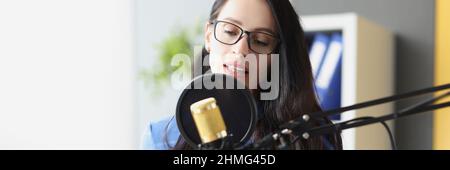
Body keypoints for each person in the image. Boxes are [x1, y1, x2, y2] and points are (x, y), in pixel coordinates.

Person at [141, 0, 342, 150]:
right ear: (209, 37)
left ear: (276, 57)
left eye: (261, 41)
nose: (241, 49)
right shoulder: (160, 139)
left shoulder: (310, 140)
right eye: (229, 31)